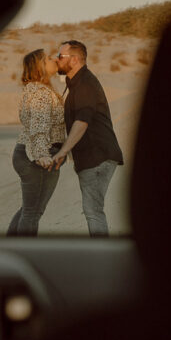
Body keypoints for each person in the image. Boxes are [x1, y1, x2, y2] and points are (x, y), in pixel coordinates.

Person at [52, 40, 124, 237]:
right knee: (94, 210)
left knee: (93, 211)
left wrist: (63, 151)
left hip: (97, 156)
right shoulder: (76, 84)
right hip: (95, 156)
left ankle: (102, 256)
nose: (56, 60)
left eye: (60, 56)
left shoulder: (85, 84)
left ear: (74, 59)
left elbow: (82, 121)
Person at [7, 49, 66, 236]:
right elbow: (38, 126)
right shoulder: (40, 92)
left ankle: (11, 245)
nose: (54, 60)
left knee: (29, 210)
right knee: (32, 212)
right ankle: (25, 251)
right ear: (40, 66)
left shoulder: (36, 88)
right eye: (48, 59)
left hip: (28, 153)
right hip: (36, 158)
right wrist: (42, 155)